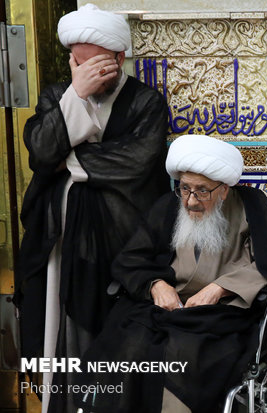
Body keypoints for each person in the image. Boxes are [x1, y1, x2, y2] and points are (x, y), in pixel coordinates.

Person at [68, 135, 267, 413]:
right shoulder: (169, 206)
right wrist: (155, 285)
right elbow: (131, 259)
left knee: (184, 352)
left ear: (224, 190)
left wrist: (219, 288)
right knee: (131, 344)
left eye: (202, 191)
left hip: (221, 318)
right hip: (165, 310)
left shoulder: (251, 206)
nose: (190, 201)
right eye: (185, 188)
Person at [14, 3, 169, 410]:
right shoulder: (56, 96)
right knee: (55, 338)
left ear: (119, 58)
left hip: (123, 243)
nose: (86, 74)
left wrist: (67, 158)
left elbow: (136, 164)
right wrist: (75, 96)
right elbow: (41, 150)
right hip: (61, 245)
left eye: (96, 66)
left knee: (113, 344)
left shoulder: (146, 103)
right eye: (78, 64)